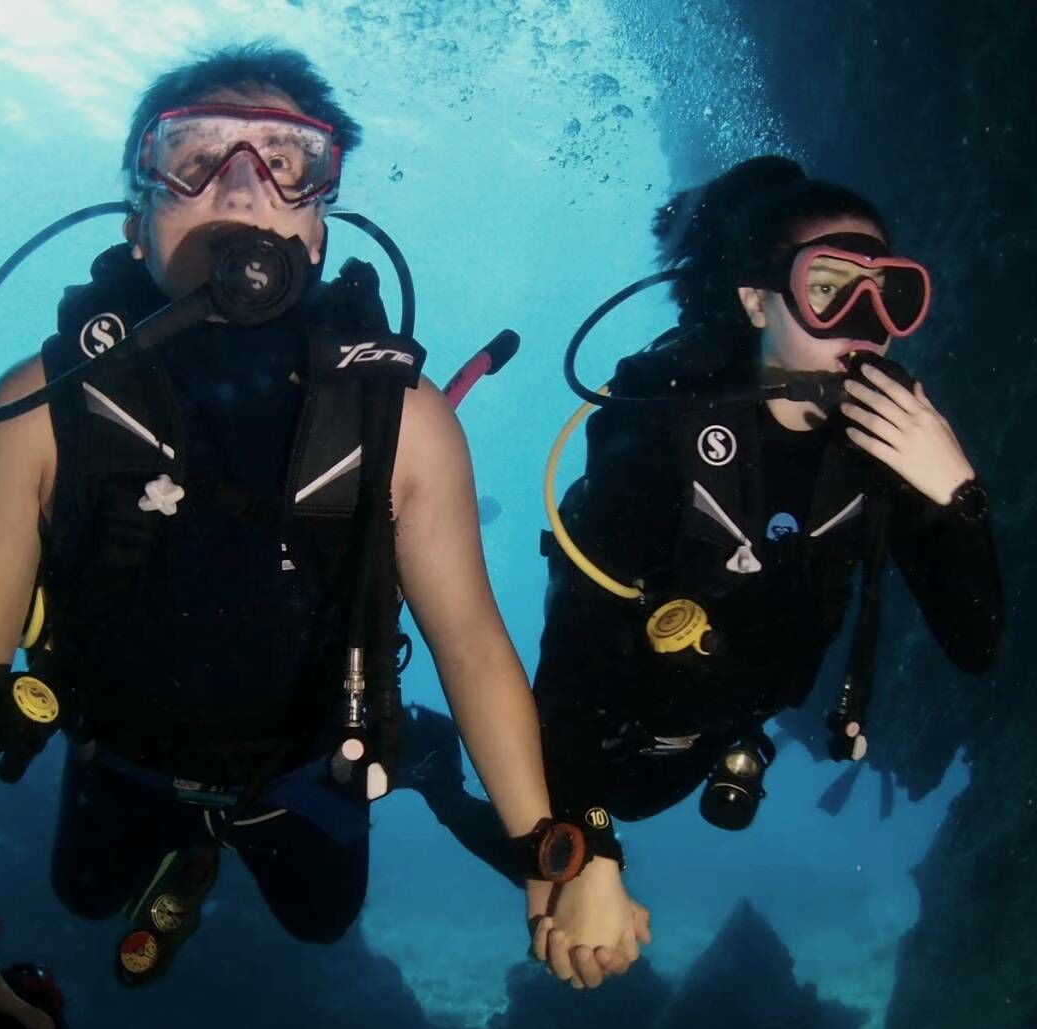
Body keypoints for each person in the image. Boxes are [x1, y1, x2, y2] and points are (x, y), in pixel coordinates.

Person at [0, 41, 644, 1029]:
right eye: (196, 154)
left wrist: (546, 858)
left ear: (322, 224)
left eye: (291, 162)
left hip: (307, 767)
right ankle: (192, 858)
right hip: (119, 752)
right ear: (136, 218)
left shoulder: (405, 419)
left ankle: (406, 761)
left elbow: (473, 644)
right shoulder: (39, 408)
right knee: (83, 895)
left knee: (320, 921)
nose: (246, 186)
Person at [407, 156, 1004, 935]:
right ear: (758, 301)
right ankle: (436, 774)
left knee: (598, 840)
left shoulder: (895, 443)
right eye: (829, 289)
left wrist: (959, 496)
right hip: (612, 719)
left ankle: (463, 786)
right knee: (557, 855)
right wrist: (593, 845)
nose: (863, 321)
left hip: (731, 719)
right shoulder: (664, 423)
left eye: (888, 293)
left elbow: (975, 643)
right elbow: (574, 665)